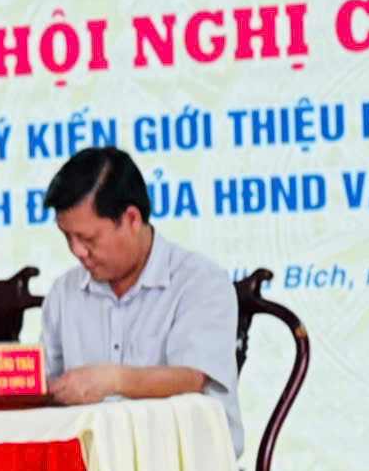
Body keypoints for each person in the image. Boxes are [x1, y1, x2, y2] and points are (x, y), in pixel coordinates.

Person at [38, 146, 243, 452]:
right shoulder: (64, 293)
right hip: (90, 466)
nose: (77, 251)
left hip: (182, 464)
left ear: (132, 219)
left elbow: (191, 378)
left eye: (88, 239)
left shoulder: (199, 281)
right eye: (67, 237)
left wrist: (112, 380)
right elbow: (45, 386)